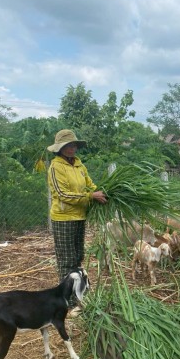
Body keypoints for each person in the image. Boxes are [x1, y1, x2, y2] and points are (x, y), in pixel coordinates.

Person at [47, 129, 107, 301]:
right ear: (59, 148)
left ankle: (78, 293)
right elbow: (62, 194)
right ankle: (67, 300)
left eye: (72, 145)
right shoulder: (56, 167)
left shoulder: (79, 165)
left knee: (77, 256)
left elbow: (90, 185)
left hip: (80, 216)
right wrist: (90, 196)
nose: (71, 148)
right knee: (66, 260)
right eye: (66, 145)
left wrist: (100, 192)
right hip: (64, 218)